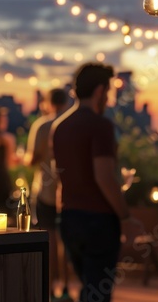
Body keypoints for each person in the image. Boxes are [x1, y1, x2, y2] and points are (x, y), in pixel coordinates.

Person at [52, 63, 142, 302]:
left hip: (69, 219)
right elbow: (103, 176)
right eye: (109, 92)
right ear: (101, 91)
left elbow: (62, 176)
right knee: (97, 293)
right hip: (98, 222)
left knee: (88, 287)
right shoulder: (101, 126)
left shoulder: (59, 127)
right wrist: (125, 216)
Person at [24, 88, 69, 300]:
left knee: (49, 240)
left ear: (48, 102)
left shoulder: (41, 125)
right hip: (69, 191)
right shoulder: (71, 123)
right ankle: (67, 287)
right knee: (66, 241)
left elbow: (31, 159)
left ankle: (50, 289)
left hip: (45, 190)